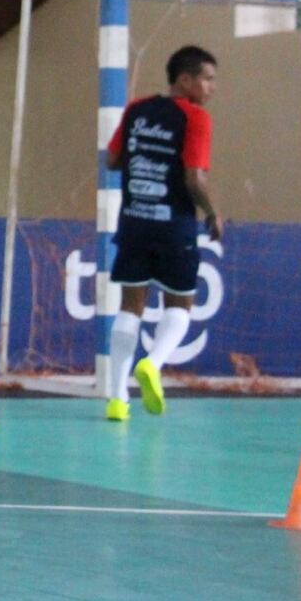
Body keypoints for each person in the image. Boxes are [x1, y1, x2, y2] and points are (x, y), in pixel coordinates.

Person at [104, 44, 222, 422]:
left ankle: (117, 398)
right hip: (174, 226)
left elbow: (112, 159)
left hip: (134, 222)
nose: (212, 87)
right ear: (185, 80)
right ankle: (152, 365)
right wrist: (214, 211)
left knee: (129, 306)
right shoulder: (196, 118)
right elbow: (193, 177)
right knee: (180, 304)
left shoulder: (137, 109)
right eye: (207, 78)